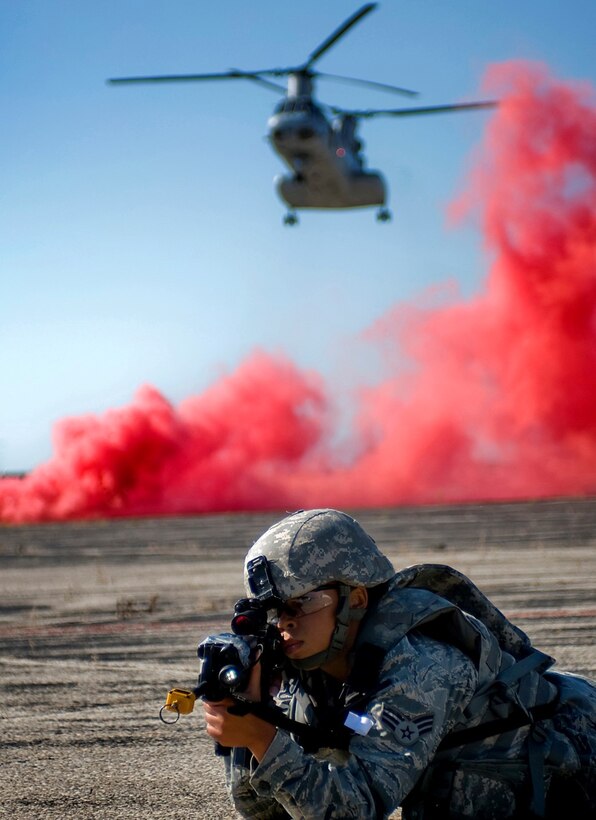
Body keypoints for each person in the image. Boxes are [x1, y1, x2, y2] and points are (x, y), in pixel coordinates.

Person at [202, 508, 596, 819]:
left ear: (355, 600)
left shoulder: (424, 664)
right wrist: (252, 714)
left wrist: (263, 739)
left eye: (301, 602)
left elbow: (356, 809)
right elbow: (264, 811)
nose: (284, 622)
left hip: (576, 760)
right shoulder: (308, 669)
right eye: (272, 611)